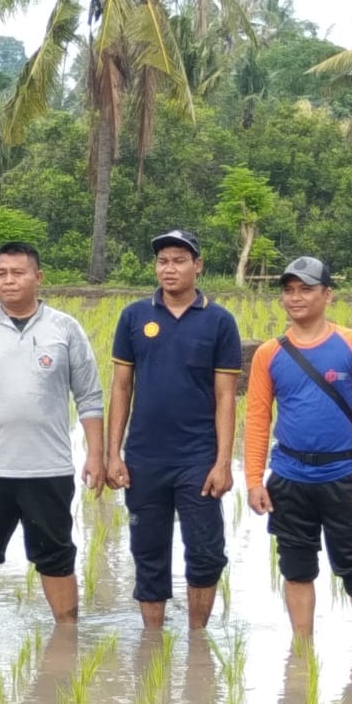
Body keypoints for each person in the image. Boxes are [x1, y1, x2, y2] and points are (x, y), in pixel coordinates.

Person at [0, 242, 104, 623]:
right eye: (1, 274)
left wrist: (95, 454)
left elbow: (90, 397)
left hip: (48, 469)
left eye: (18, 273)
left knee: (57, 558)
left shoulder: (65, 329)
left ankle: (65, 641)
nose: (8, 281)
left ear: (38, 278)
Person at [244, 257, 352, 642]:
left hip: (344, 477)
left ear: (327, 294)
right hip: (289, 478)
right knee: (295, 566)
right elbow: (257, 418)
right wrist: (254, 479)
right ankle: (301, 648)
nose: (295, 297)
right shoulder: (269, 354)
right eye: (289, 290)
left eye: (306, 289)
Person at [106, 228, 241, 629]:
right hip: (145, 457)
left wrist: (223, 462)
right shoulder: (134, 316)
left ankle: (197, 635)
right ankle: (152, 640)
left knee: (205, 552)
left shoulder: (219, 321)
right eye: (163, 261)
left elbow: (225, 397)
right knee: (148, 551)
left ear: (198, 266)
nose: (170, 269)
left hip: (198, 457)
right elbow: (121, 387)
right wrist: (114, 454)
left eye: (180, 260)